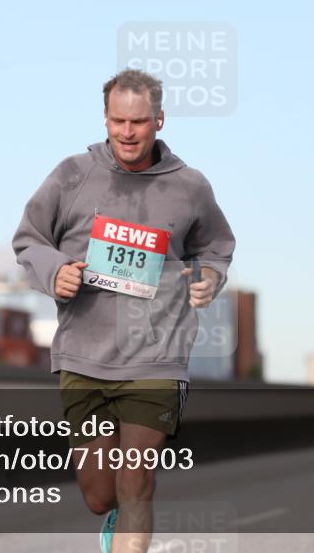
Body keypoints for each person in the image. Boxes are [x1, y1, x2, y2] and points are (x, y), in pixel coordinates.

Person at [12, 68, 235, 553]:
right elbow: (29, 239)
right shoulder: (72, 174)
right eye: (117, 121)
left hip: (158, 356)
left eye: (138, 122)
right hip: (83, 355)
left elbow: (216, 248)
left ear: (159, 119)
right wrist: (55, 271)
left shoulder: (189, 186)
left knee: (136, 481)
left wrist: (210, 277)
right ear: (105, 118)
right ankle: (112, 524)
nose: (127, 133)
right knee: (100, 495)